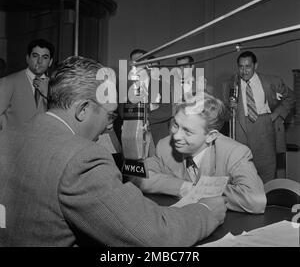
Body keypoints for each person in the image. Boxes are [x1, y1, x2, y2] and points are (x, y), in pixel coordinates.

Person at [0, 56, 226, 247]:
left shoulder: (8, 135)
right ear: (83, 109)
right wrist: (206, 210)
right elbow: (153, 233)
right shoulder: (82, 158)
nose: (109, 126)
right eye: (109, 115)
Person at [133, 93, 266, 214]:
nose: (176, 136)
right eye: (176, 125)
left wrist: (199, 191)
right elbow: (138, 177)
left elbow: (256, 200)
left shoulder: (234, 153)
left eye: (187, 131)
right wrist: (183, 187)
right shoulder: (165, 146)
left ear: (210, 136)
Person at [226, 51, 295, 183]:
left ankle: (266, 200)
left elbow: (290, 98)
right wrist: (230, 106)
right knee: (242, 170)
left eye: (248, 66)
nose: (244, 71)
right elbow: (225, 111)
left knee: (267, 170)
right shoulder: (231, 83)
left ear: (255, 66)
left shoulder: (272, 81)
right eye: (241, 66)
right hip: (241, 126)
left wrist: (277, 114)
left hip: (264, 125)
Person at [0, 39, 54, 130]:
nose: (39, 61)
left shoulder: (56, 85)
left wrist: (49, 95)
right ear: (27, 58)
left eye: (45, 57)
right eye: (35, 56)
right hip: (14, 141)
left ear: (50, 62)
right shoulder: (8, 82)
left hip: (44, 142)